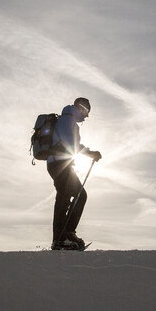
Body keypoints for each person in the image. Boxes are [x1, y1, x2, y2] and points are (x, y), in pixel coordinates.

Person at [47, 97, 101, 250]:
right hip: (59, 164)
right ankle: (64, 236)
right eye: (87, 111)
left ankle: (61, 238)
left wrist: (89, 153)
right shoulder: (67, 119)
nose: (88, 115)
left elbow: (72, 144)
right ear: (81, 107)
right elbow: (69, 143)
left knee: (66, 199)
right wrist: (89, 153)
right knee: (78, 196)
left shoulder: (70, 120)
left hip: (60, 164)